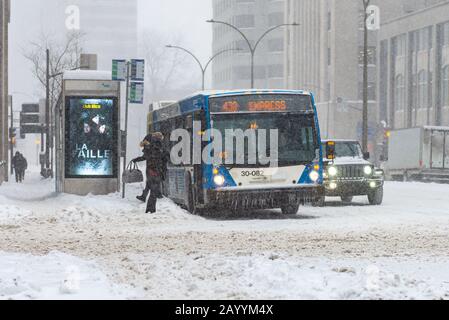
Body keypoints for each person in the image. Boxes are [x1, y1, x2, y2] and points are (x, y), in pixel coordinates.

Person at [133, 132, 170, 214]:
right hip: (158, 171)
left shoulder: (150, 147)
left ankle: (149, 207)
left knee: (152, 188)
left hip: (150, 171)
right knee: (154, 191)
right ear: (160, 139)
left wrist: (136, 159)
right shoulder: (162, 147)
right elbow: (166, 158)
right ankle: (151, 208)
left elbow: (145, 157)